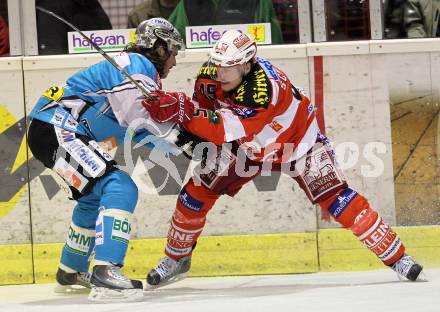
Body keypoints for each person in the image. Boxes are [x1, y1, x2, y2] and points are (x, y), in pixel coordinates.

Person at [141, 30, 425, 288]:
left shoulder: (263, 90)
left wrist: (183, 111)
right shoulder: (210, 75)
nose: (220, 72)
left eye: (229, 65)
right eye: (217, 63)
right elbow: (204, 112)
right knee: (195, 193)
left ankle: (398, 258)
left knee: (338, 199)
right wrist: (186, 125)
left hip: (297, 145)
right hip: (245, 147)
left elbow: (222, 126)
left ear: (247, 63)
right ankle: (176, 259)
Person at [27, 18, 184, 302]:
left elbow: (136, 131)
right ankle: (106, 269)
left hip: (49, 127)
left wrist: (182, 144)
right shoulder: (138, 67)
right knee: (120, 187)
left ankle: (70, 271)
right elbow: (137, 121)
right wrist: (188, 137)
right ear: (159, 49)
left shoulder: (136, 70)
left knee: (92, 197)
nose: (175, 61)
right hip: (57, 126)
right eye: (173, 51)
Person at [168, 0, 284, 44]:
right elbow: (172, 42)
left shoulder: (258, 3)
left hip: (248, 76)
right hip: (201, 76)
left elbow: (276, 49)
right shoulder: (188, 4)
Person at [36, 0, 112, 55]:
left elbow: (109, 47)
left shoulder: (91, 5)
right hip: (70, 69)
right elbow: (51, 55)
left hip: (96, 68)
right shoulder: (51, 6)